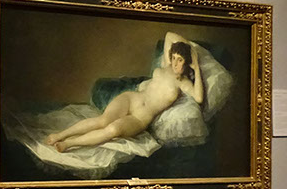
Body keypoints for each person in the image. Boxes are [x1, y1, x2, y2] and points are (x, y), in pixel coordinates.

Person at [45, 33, 204, 152]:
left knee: (112, 130)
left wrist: (196, 66)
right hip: (131, 99)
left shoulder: (184, 83)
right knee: (103, 121)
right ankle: (61, 135)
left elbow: (198, 98)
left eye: (180, 60)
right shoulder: (166, 64)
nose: (175, 63)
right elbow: (169, 35)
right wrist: (188, 48)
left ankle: (68, 144)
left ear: (187, 62)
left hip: (140, 118)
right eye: (174, 58)